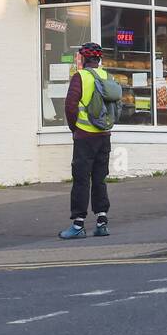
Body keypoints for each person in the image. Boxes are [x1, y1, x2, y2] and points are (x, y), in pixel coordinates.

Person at [59, 43, 114, 240]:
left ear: (83, 58)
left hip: (85, 137)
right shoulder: (107, 76)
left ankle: (78, 225)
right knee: (100, 178)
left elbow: (70, 107)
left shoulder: (80, 77)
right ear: (99, 59)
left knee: (81, 180)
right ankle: (101, 222)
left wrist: (75, 128)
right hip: (104, 136)